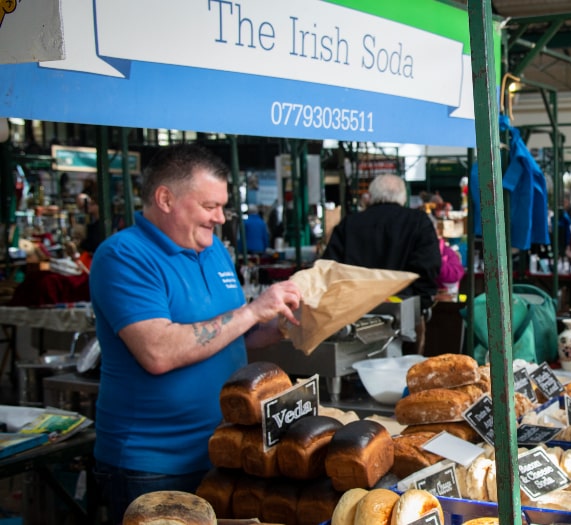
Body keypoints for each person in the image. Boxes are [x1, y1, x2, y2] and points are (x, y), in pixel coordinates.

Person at [88, 144, 302, 524]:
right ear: (165, 198)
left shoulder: (214, 250)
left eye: (223, 207)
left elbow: (226, 336)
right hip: (153, 465)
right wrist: (252, 310)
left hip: (222, 450)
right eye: (209, 206)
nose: (220, 218)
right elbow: (158, 352)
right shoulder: (123, 256)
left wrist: (276, 327)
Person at [321, 174, 441, 352]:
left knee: (354, 369)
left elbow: (329, 269)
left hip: (354, 317)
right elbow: (429, 268)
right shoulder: (419, 222)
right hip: (403, 316)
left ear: (370, 196)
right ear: (403, 197)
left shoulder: (350, 224)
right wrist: (419, 303)